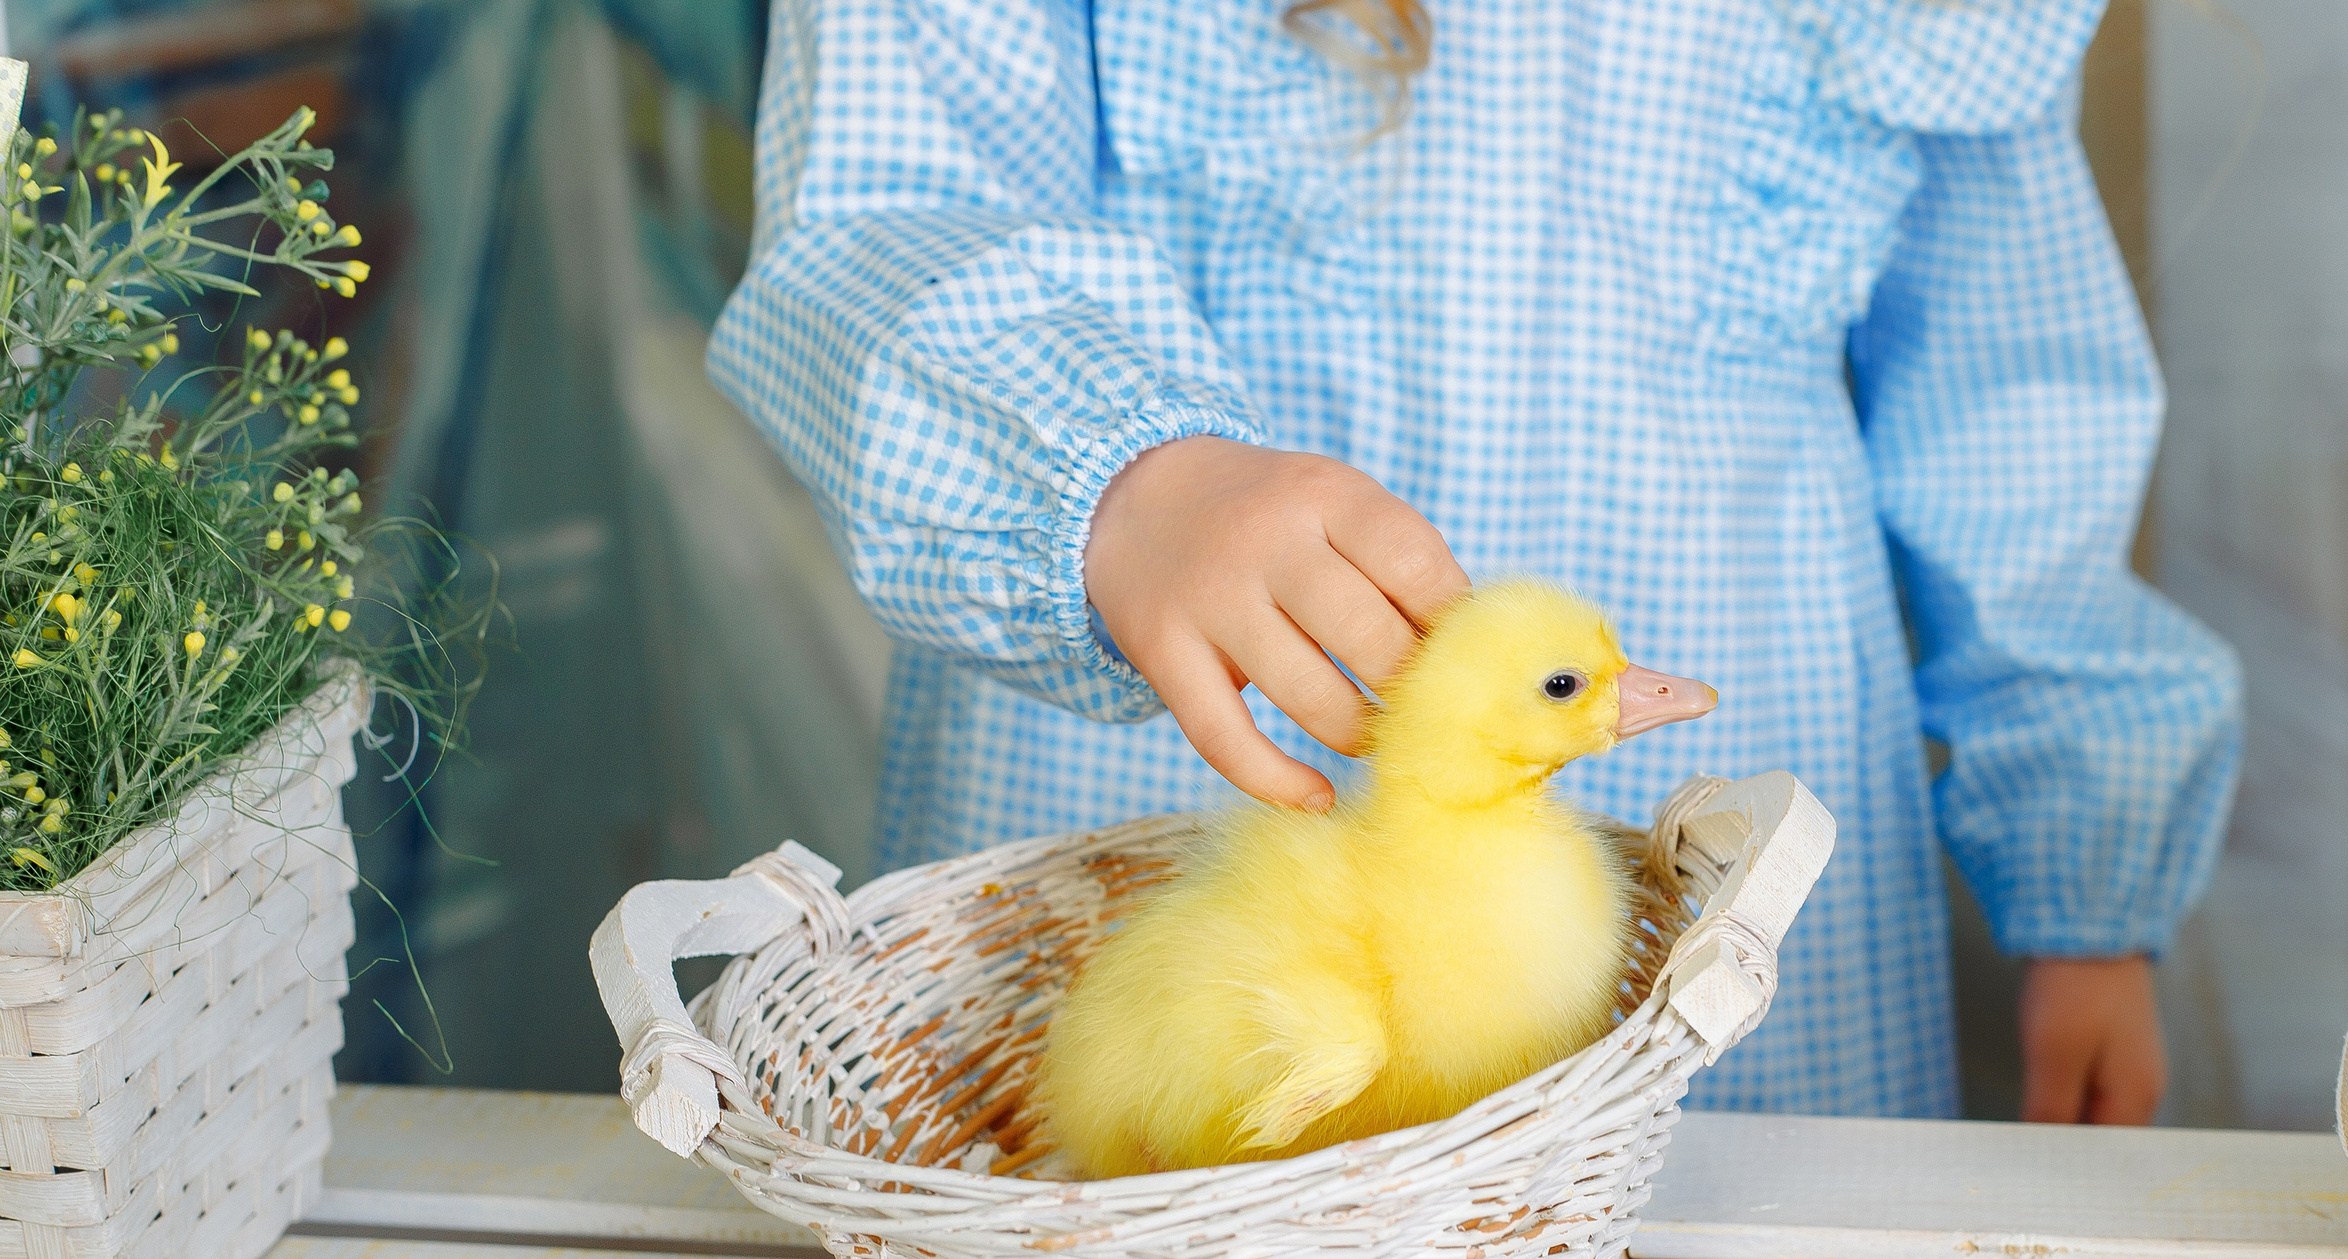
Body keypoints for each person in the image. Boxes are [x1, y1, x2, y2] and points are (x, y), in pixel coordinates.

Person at [708, 0, 2241, 1134]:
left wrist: (2082, 882)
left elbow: (2007, 391)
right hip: (1150, 783)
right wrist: (1117, 469)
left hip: (1744, 829)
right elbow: (883, 192)